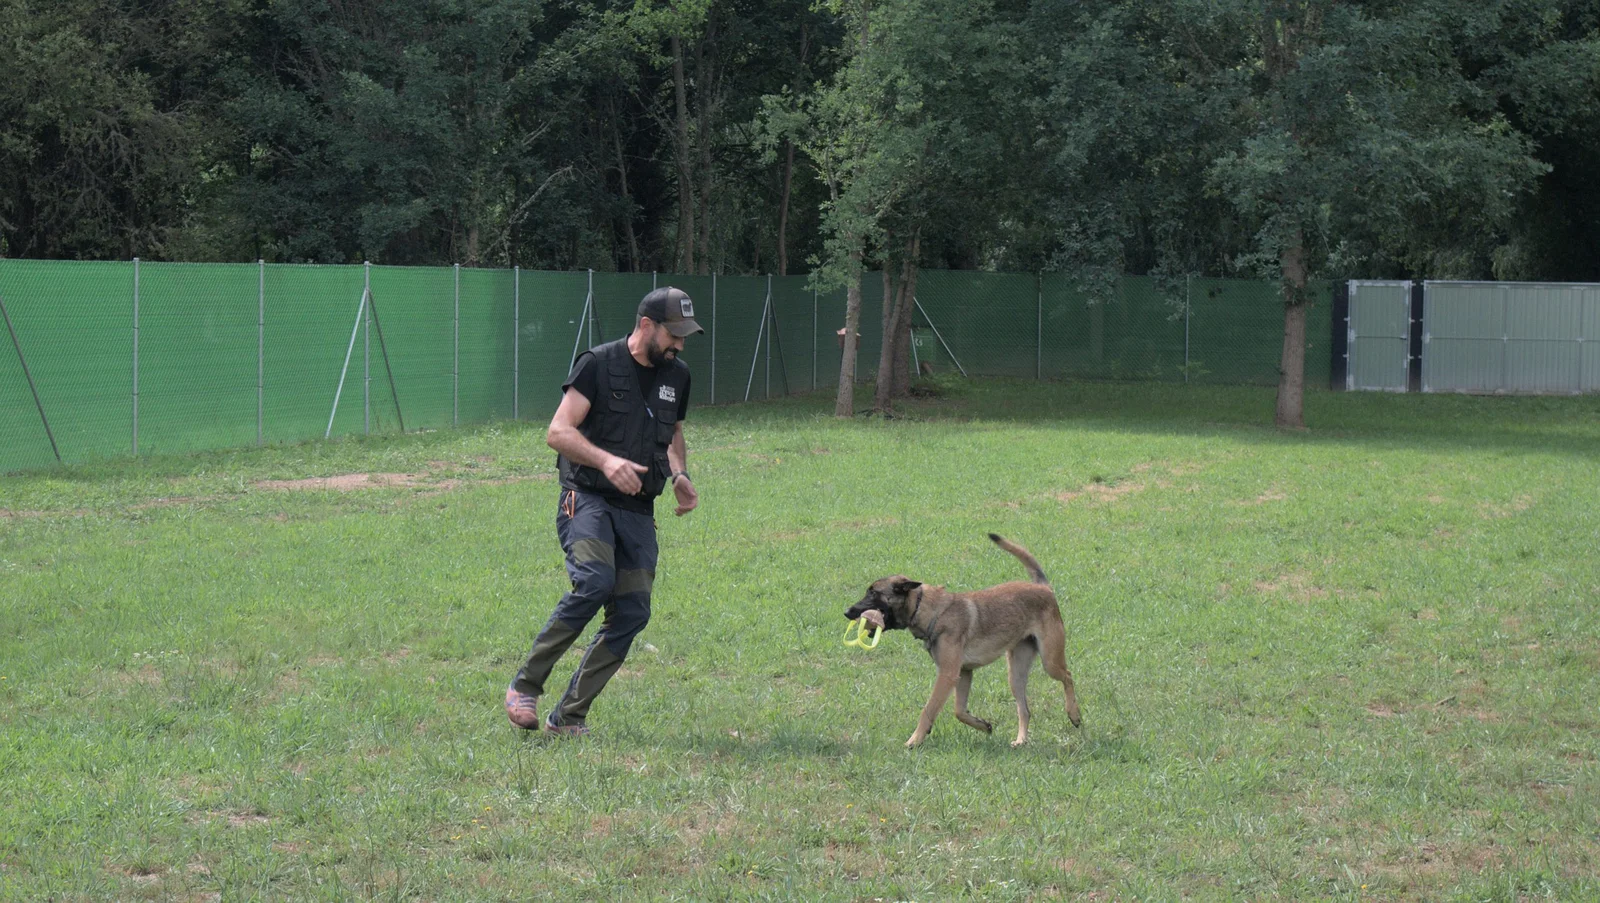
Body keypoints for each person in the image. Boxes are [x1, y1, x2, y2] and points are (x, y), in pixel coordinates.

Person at [505, 287, 702, 736]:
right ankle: (525, 685)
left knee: (632, 611)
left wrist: (681, 475)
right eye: (675, 334)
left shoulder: (678, 376)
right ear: (647, 325)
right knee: (594, 582)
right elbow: (558, 432)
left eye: (685, 337)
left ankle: (568, 716)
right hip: (587, 497)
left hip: (638, 509)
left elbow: (671, 433)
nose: (680, 345)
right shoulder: (598, 364)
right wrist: (607, 461)